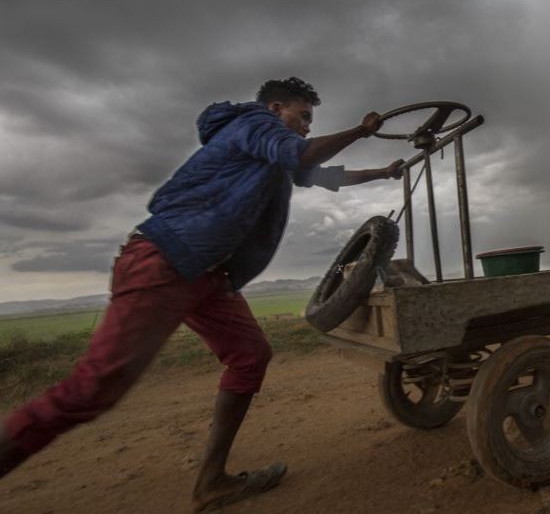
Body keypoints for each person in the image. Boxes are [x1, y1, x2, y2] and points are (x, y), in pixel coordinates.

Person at [0, 77, 401, 510]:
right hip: (165, 260)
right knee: (90, 391)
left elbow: (323, 174)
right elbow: (302, 153)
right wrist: (361, 131)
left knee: (249, 355)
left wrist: (384, 172)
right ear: (275, 108)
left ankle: (212, 481)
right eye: (302, 116)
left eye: (309, 120)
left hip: (209, 276)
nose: (305, 126)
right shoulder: (252, 124)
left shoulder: (269, 152)